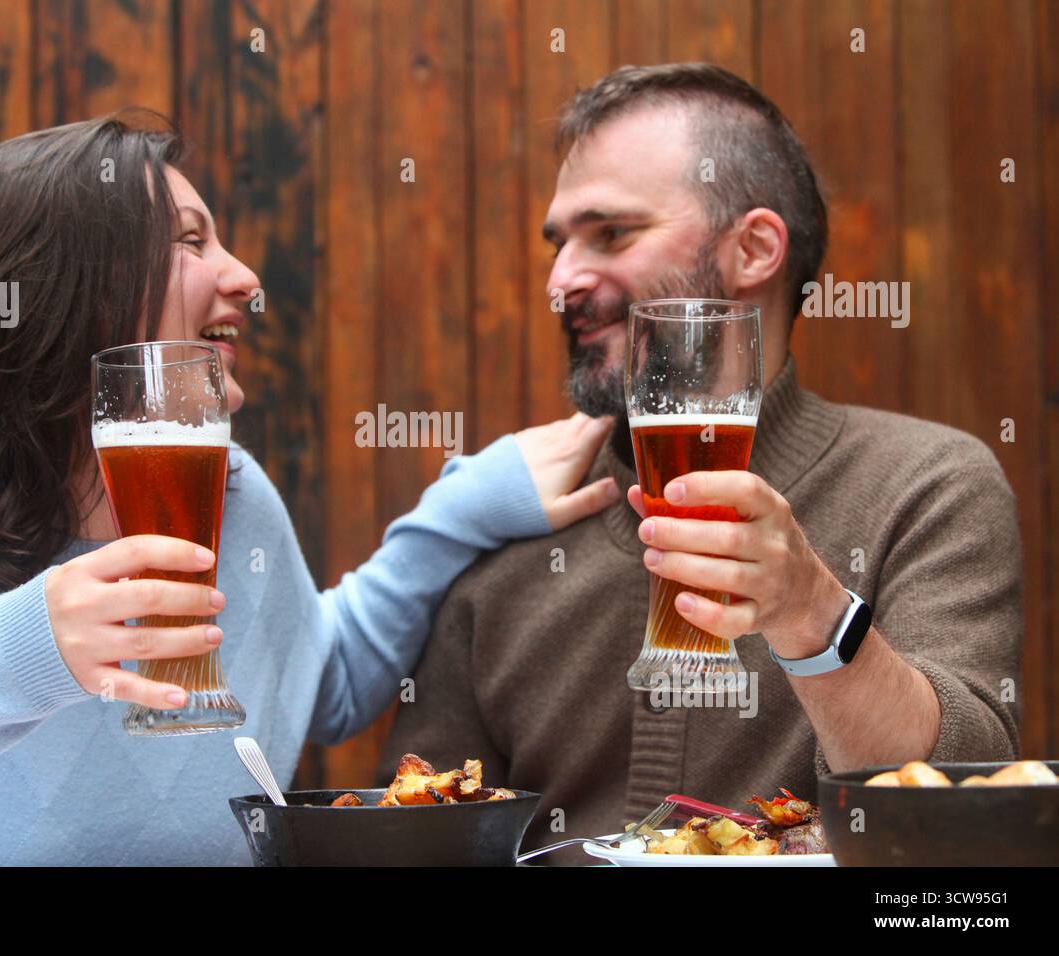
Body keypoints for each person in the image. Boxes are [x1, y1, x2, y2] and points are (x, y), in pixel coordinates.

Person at [0, 110, 621, 865]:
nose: (245, 276)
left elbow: (320, 685)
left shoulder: (229, 491)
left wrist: (460, 511)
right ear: (65, 286)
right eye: (189, 240)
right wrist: (24, 658)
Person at [379, 63, 1023, 863]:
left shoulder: (927, 485)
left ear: (755, 248)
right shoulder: (512, 510)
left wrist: (810, 612)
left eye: (610, 233)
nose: (560, 282)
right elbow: (417, 830)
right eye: (559, 244)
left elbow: (963, 813)